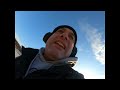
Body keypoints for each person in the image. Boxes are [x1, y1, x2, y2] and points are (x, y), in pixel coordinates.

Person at [15, 25, 85, 79]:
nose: (64, 35)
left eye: (71, 37)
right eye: (60, 31)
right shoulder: (23, 52)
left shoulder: (74, 76)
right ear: (48, 38)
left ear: (72, 51)